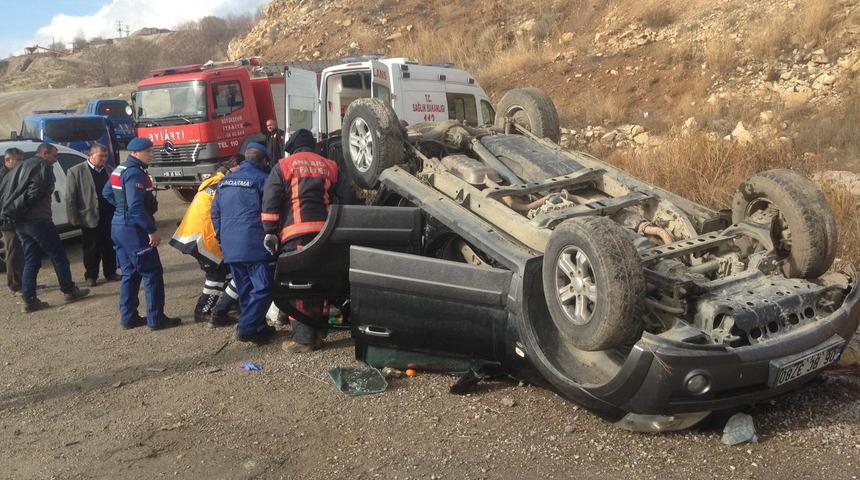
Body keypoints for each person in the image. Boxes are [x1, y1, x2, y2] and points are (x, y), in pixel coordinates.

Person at [261, 129, 356, 353]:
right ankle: (319, 333)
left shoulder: (283, 166)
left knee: (298, 286)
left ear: (292, 147)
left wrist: (270, 231)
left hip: (295, 235)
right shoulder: (330, 165)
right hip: (325, 234)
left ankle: (304, 339)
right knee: (320, 282)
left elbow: (271, 201)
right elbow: (349, 197)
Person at [0, 143, 89, 312]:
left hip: (20, 222)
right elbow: (35, 192)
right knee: (58, 255)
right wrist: (24, 209)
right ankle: (69, 290)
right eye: (54, 156)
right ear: (45, 153)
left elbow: (8, 192)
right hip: (37, 220)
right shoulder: (42, 166)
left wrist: (17, 212)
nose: (56, 161)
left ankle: (29, 299)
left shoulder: (21, 167)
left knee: (32, 257)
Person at [102, 137, 180, 330]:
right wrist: (151, 230)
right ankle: (156, 319)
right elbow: (136, 206)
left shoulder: (119, 169)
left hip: (118, 226)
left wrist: (121, 209)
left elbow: (106, 193)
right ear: (136, 153)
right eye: (149, 152)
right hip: (133, 230)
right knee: (151, 272)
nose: (152, 155)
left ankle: (128, 317)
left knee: (130, 273)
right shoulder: (135, 174)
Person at [211, 143, 276, 344]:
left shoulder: (224, 181)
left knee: (246, 289)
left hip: (231, 246)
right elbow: (270, 212)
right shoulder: (264, 180)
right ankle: (247, 327)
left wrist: (222, 238)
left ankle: (259, 328)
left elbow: (214, 213)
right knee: (265, 287)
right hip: (255, 244)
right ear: (264, 161)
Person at [169, 155, 242, 325]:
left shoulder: (214, 180)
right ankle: (203, 311)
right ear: (234, 166)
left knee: (224, 270)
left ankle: (227, 304)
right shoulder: (223, 184)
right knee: (216, 275)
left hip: (192, 233)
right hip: (202, 237)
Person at [65, 143, 117, 286]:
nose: (104, 159)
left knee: (109, 245)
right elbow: (70, 196)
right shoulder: (76, 171)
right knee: (91, 247)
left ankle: (111, 272)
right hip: (89, 216)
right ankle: (91, 276)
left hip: (109, 214)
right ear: (91, 155)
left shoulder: (109, 170)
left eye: (106, 156)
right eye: (101, 156)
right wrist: (73, 216)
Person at [0, 148, 24, 295]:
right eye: (19, 160)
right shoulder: (3, 176)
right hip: (7, 221)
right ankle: (15, 285)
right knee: (13, 253)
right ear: (8, 160)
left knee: (21, 252)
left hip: (19, 218)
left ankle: (23, 281)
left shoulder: (16, 174)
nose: (22, 163)